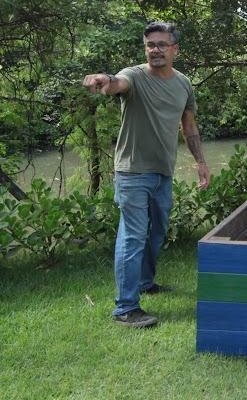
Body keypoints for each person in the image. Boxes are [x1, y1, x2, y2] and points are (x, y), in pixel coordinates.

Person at [82, 22, 210, 329]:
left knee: (157, 232)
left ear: (175, 49)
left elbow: (189, 127)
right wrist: (104, 80)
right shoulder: (135, 76)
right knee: (133, 235)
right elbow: (117, 84)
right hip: (132, 172)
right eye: (150, 44)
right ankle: (125, 308)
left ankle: (144, 282)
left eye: (162, 44)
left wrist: (201, 162)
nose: (155, 50)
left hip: (162, 171)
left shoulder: (183, 84)